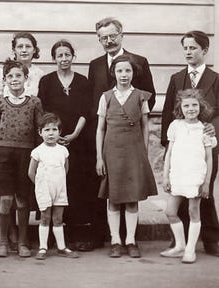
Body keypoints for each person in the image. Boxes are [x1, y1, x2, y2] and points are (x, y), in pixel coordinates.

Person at [86, 17, 156, 250]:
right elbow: (94, 102)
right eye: (103, 38)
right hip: (108, 139)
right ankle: (106, 238)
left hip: (132, 139)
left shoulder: (139, 62)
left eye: (112, 36)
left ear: (121, 34)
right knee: (109, 192)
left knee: (131, 191)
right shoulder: (95, 64)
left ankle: (130, 239)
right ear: (99, 40)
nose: (108, 41)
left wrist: (131, 116)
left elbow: (149, 97)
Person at [161, 30, 219, 257]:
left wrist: (214, 128)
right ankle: (181, 240)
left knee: (203, 192)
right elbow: (168, 112)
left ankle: (211, 238)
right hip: (181, 146)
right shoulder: (177, 78)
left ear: (204, 50)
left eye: (193, 48)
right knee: (179, 193)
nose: (188, 52)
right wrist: (168, 144)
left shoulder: (216, 79)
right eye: (185, 48)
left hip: (206, 144)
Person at [96, 55, 157, 258]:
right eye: (120, 71)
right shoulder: (106, 97)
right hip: (112, 151)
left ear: (133, 73)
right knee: (113, 198)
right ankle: (115, 240)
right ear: (113, 72)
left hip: (134, 151)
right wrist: (99, 157)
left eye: (128, 71)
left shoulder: (141, 96)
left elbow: (146, 125)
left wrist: (144, 152)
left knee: (132, 198)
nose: (124, 75)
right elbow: (100, 129)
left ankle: (130, 240)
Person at [0, 32, 44, 251]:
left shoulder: (34, 102)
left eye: (19, 77)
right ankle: (3, 240)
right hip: (3, 153)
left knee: (23, 199)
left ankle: (23, 241)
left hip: (26, 153)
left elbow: (40, 129)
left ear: (26, 79)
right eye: (10, 77)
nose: (15, 80)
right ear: (5, 80)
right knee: (5, 200)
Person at [37, 40, 90, 249]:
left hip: (78, 141)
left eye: (67, 54)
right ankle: (50, 234)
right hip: (53, 140)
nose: (64, 59)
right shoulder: (47, 81)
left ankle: (75, 233)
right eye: (60, 55)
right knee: (53, 183)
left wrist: (75, 134)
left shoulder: (83, 81)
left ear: (73, 56)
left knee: (75, 184)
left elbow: (87, 110)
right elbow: (43, 112)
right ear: (54, 58)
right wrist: (54, 135)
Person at [160, 89, 215, 264]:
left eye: (194, 105)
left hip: (195, 175)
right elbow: (169, 153)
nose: (190, 109)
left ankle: (190, 250)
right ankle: (180, 246)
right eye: (186, 106)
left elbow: (209, 157)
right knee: (170, 211)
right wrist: (166, 176)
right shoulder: (176, 125)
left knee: (193, 211)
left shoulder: (205, 129)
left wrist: (206, 182)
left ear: (201, 107)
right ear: (180, 108)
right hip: (178, 174)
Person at [28, 112, 79, 260]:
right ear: (40, 132)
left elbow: (65, 169)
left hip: (60, 188)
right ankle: (43, 247)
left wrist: (59, 182)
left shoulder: (63, 150)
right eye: (47, 130)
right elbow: (31, 172)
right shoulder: (38, 151)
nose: (51, 133)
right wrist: (41, 185)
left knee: (58, 218)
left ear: (60, 132)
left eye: (54, 130)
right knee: (45, 217)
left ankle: (61, 247)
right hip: (44, 188)